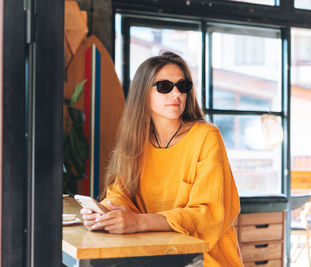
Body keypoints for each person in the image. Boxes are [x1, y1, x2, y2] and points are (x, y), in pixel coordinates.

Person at [80, 51, 243, 266]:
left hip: (204, 258)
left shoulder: (206, 137)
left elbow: (208, 214)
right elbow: (119, 194)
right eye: (165, 87)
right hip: (153, 255)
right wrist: (105, 214)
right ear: (143, 94)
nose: (176, 94)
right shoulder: (135, 142)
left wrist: (138, 222)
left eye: (182, 87)